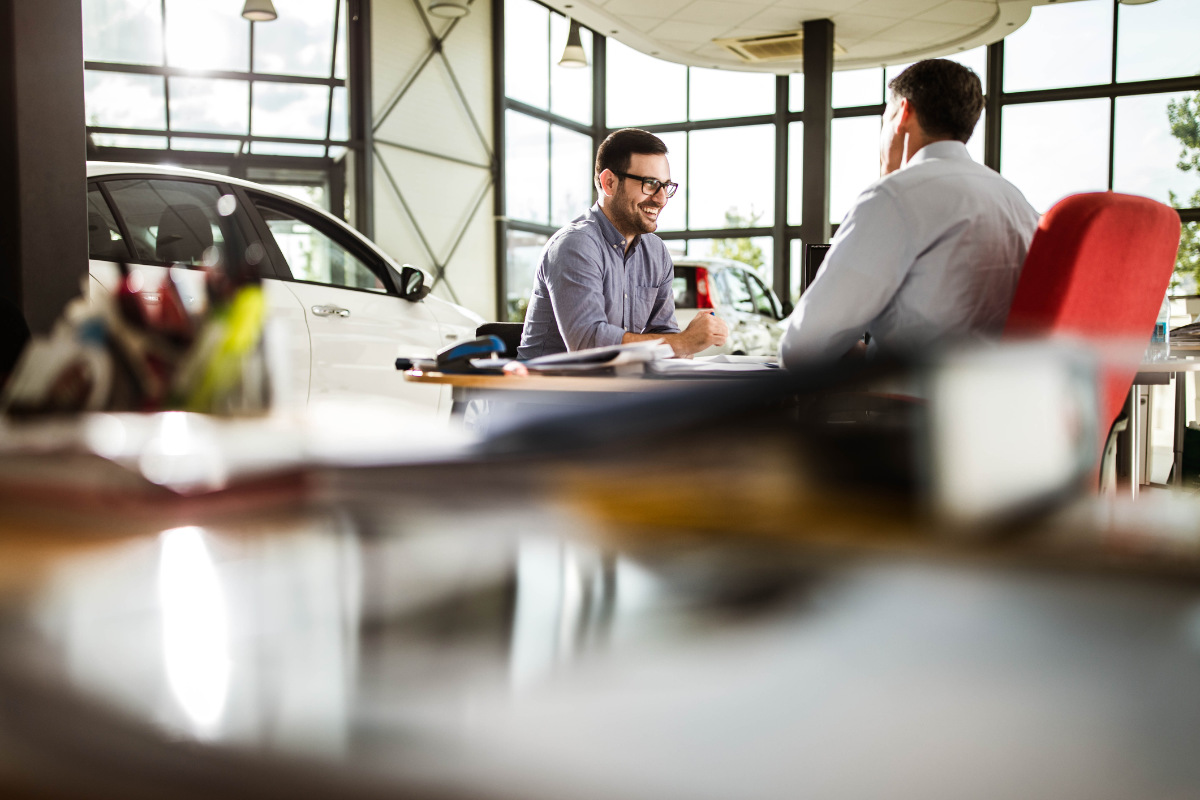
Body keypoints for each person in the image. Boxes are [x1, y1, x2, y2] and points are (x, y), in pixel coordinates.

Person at [778, 58, 1041, 368]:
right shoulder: (1016, 201)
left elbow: (801, 349)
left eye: (884, 120)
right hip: (996, 403)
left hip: (911, 409)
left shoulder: (895, 196)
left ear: (904, 113)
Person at [517, 128, 728, 359]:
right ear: (609, 183)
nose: (661, 199)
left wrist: (686, 344)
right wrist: (685, 342)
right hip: (548, 390)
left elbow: (668, 338)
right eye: (650, 184)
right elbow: (588, 344)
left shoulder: (656, 253)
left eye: (666, 186)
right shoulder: (575, 245)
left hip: (616, 387)